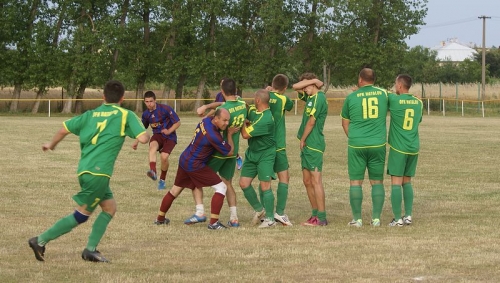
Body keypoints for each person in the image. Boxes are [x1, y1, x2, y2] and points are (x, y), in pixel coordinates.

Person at [28, 80, 149, 263]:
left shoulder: (89, 114)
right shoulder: (125, 115)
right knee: (81, 215)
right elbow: (143, 138)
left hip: (85, 171)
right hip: (99, 175)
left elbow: (64, 129)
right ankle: (40, 240)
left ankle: (90, 250)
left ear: (103, 97)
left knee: (110, 208)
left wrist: (51, 144)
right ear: (122, 98)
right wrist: (142, 132)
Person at [154, 108, 238, 230]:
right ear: (216, 118)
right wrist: (229, 134)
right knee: (221, 187)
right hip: (195, 164)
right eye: (224, 120)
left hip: (185, 158)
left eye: (228, 120)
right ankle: (213, 223)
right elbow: (229, 152)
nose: (227, 123)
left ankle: (160, 219)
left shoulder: (206, 121)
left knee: (175, 190)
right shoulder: (213, 135)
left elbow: (209, 115)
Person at [184, 78, 248, 227]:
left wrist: (205, 110)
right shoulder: (243, 105)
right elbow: (227, 104)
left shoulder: (224, 110)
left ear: (222, 91)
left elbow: (211, 121)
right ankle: (234, 218)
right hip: (233, 152)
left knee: (195, 180)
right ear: (236, 90)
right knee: (228, 183)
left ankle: (200, 212)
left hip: (219, 152)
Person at [340, 68, 389, 227]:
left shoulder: (351, 97)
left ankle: (357, 219)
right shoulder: (384, 93)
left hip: (357, 144)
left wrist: (354, 137)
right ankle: (376, 219)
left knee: (355, 182)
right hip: (377, 144)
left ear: (360, 79)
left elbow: (345, 123)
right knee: (377, 182)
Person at [292, 73, 329, 226]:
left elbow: (312, 122)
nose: (304, 89)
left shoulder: (319, 98)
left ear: (313, 84)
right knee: (307, 181)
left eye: (307, 85)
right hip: (307, 145)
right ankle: (314, 215)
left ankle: (321, 217)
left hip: (314, 144)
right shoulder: (309, 98)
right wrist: (309, 83)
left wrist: (302, 139)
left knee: (316, 181)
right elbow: (294, 87)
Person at [387, 74, 423, 227]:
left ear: (400, 86)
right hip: (413, 147)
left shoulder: (394, 100)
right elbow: (418, 119)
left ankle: (397, 218)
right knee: (407, 182)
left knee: (396, 182)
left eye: (396, 84)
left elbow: (386, 97)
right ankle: (408, 215)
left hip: (398, 147)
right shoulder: (418, 102)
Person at [239, 89, 276, 228]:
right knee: (243, 183)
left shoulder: (266, 119)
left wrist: (242, 121)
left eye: (254, 97)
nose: (253, 99)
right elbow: (248, 109)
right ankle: (260, 210)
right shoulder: (255, 110)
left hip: (265, 155)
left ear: (259, 100)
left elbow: (245, 135)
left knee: (265, 185)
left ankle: (270, 220)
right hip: (252, 153)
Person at [263, 74, 295, 226]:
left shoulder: (264, 96)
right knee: (284, 178)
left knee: (265, 179)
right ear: (285, 88)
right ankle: (280, 213)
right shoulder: (283, 99)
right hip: (278, 145)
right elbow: (290, 105)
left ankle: (265, 210)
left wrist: (267, 91)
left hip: (264, 144)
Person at [133, 91, 181, 190]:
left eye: (151, 101)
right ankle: (153, 171)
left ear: (155, 100)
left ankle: (162, 180)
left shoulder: (165, 109)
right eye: (146, 101)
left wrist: (169, 131)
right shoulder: (146, 114)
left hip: (170, 137)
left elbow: (178, 122)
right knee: (152, 147)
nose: (149, 104)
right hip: (157, 136)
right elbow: (142, 129)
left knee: (164, 157)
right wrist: (136, 141)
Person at [197, 78, 243, 170]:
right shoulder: (221, 96)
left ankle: (237, 157)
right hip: (222, 125)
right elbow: (217, 107)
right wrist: (207, 116)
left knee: (204, 173)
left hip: (224, 136)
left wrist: (206, 108)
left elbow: (221, 108)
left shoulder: (237, 99)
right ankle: (236, 156)